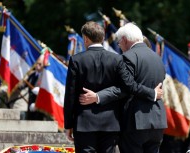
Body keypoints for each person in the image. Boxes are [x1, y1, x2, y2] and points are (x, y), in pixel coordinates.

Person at [64, 21, 163, 153]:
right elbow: (124, 87)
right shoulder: (118, 59)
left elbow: (70, 94)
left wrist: (68, 124)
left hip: (84, 123)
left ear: (85, 39)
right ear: (103, 38)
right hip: (112, 123)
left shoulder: (76, 60)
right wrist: (153, 93)